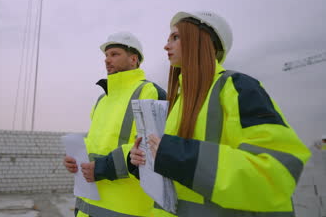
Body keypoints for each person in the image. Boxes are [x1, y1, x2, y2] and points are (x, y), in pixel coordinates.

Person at [129, 11, 311, 217]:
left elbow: (275, 173)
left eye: (176, 37)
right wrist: (142, 161)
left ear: (201, 40)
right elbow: (174, 172)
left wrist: (176, 155)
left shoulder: (237, 87)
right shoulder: (178, 102)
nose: (166, 45)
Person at [63, 31, 166, 217]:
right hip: (86, 204)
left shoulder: (149, 92)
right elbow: (95, 141)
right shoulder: (103, 98)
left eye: (115, 54)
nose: (107, 60)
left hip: (125, 207)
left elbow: (150, 149)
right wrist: (75, 159)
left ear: (133, 59)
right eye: (106, 56)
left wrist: (102, 168)